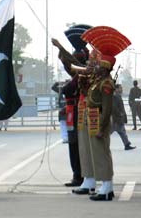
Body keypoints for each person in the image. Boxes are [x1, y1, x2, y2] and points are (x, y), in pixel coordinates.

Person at [83, 26, 131, 201]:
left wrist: (102, 127)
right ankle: (105, 187)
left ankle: (106, 187)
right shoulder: (100, 81)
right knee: (98, 153)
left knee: (102, 153)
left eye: (99, 66)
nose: (95, 68)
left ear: (105, 68)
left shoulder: (106, 84)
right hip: (94, 119)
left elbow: (107, 108)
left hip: (100, 121)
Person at [52, 24, 91, 190]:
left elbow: (66, 87)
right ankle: (78, 175)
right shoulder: (78, 76)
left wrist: (61, 47)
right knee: (74, 145)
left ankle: (80, 176)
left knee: (76, 146)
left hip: (77, 113)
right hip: (72, 113)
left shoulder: (82, 76)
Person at [111, 85, 136, 150]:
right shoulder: (116, 96)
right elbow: (114, 107)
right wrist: (120, 114)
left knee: (122, 131)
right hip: (117, 118)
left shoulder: (117, 96)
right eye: (120, 88)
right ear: (116, 89)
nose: (121, 89)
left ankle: (127, 144)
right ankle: (127, 144)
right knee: (114, 131)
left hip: (118, 118)